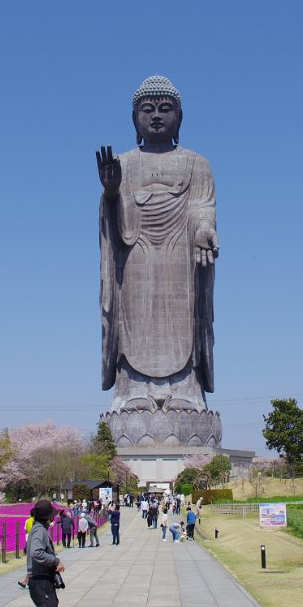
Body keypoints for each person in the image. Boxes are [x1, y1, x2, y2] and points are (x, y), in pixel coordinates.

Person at [96, 75, 219, 443]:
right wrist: (112, 192)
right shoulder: (123, 163)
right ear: (134, 118)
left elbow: (202, 206)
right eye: (147, 109)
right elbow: (115, 222)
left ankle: (186, 390)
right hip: (135, 254)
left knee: (184, 316)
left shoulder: (196, 164)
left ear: (179, 117)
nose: (156, 116)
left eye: (165, 109)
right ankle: (132, 390)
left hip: (180, 255)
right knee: (133, 317)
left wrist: (203, 228)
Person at [21, 500, 66, 607]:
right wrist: (55, 561)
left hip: (43, 579)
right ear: (48, 517)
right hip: (40, 581)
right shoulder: (39, 531)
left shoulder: (39, 529)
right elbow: (35, 552)